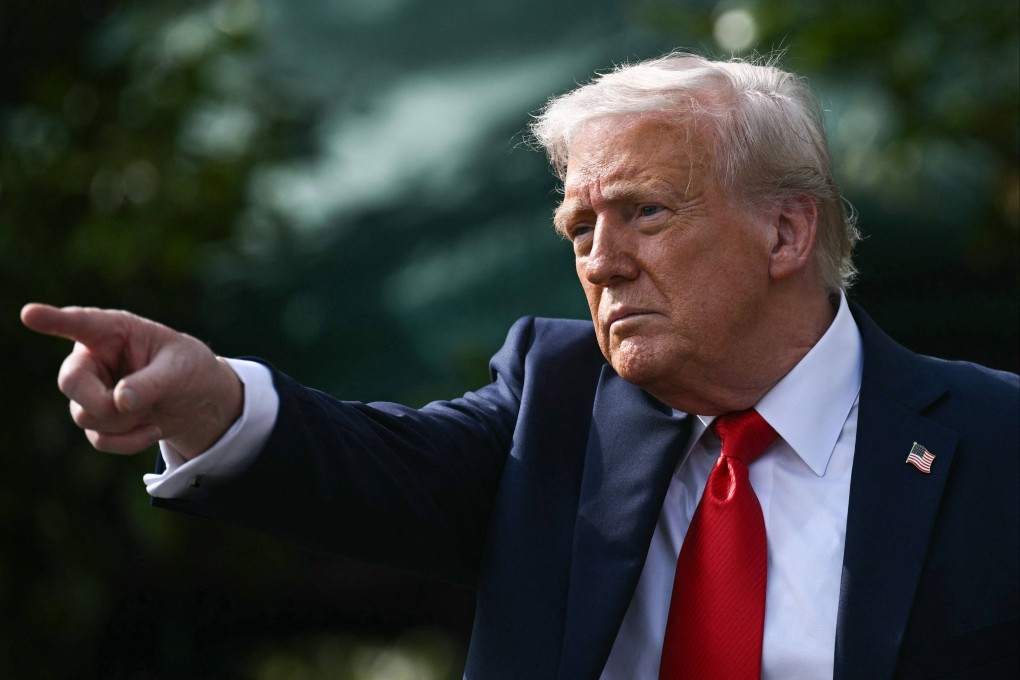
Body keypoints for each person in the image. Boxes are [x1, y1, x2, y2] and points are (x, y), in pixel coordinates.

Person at [21, 53, 1018, 679]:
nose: (599, 257)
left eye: (645, 212)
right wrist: (209, 397)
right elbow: (371, 463)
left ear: (787, 231)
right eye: (579, 225)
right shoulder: (558, 397)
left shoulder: (991, 438)